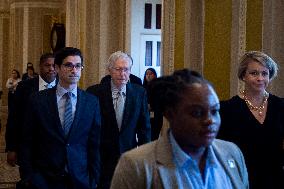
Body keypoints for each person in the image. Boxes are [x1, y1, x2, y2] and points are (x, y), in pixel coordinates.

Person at [110, 69, 249, 189]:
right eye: (197, 113)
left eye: (214, 111)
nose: (209, 121)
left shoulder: (231, 154)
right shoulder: (136, 164)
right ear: (170, 114)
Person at [19, 47, 101, 189]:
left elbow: (94, 143)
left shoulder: (91, 101)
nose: (74, 70)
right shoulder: (38, 100)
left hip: (80, 178)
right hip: (44, 178)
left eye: (78, 66)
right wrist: (28, 176)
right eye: (68, 65)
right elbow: (27, 140)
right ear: (57, 68)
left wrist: (94, 179)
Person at [218, 51, 284, 189]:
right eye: (254, 73)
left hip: (276, 180)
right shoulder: (227, 109)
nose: (260, 78)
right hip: (240, 181)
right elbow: (221, 152)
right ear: (243, 76)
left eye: (264, 73)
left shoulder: (280, 106)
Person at [86, 51, 151, 189]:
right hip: (102, 156)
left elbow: (144, 128)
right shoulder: (94, 93)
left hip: (129, 156)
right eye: (118, 69)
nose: (123, 74)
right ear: (110, 70)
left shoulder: (139, 93)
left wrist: (147, 156)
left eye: (126, 69)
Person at [5, 53, 57, 168]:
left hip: (55, 151)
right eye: (47, 65)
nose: (51, 69)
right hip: (29, 148)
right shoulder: (24, 87)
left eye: (54, 65)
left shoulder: (63, 86)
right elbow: (14, 118)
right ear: (40, 66)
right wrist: (12, 148)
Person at [143, 68, 163, 140]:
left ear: (154, 75)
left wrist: (152, 106)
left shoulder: (159, 87)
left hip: (156, 116)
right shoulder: (142, 88)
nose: (148, 76)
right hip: (145, 116)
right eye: (147, 74)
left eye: (150, 74)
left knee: (154, 136)